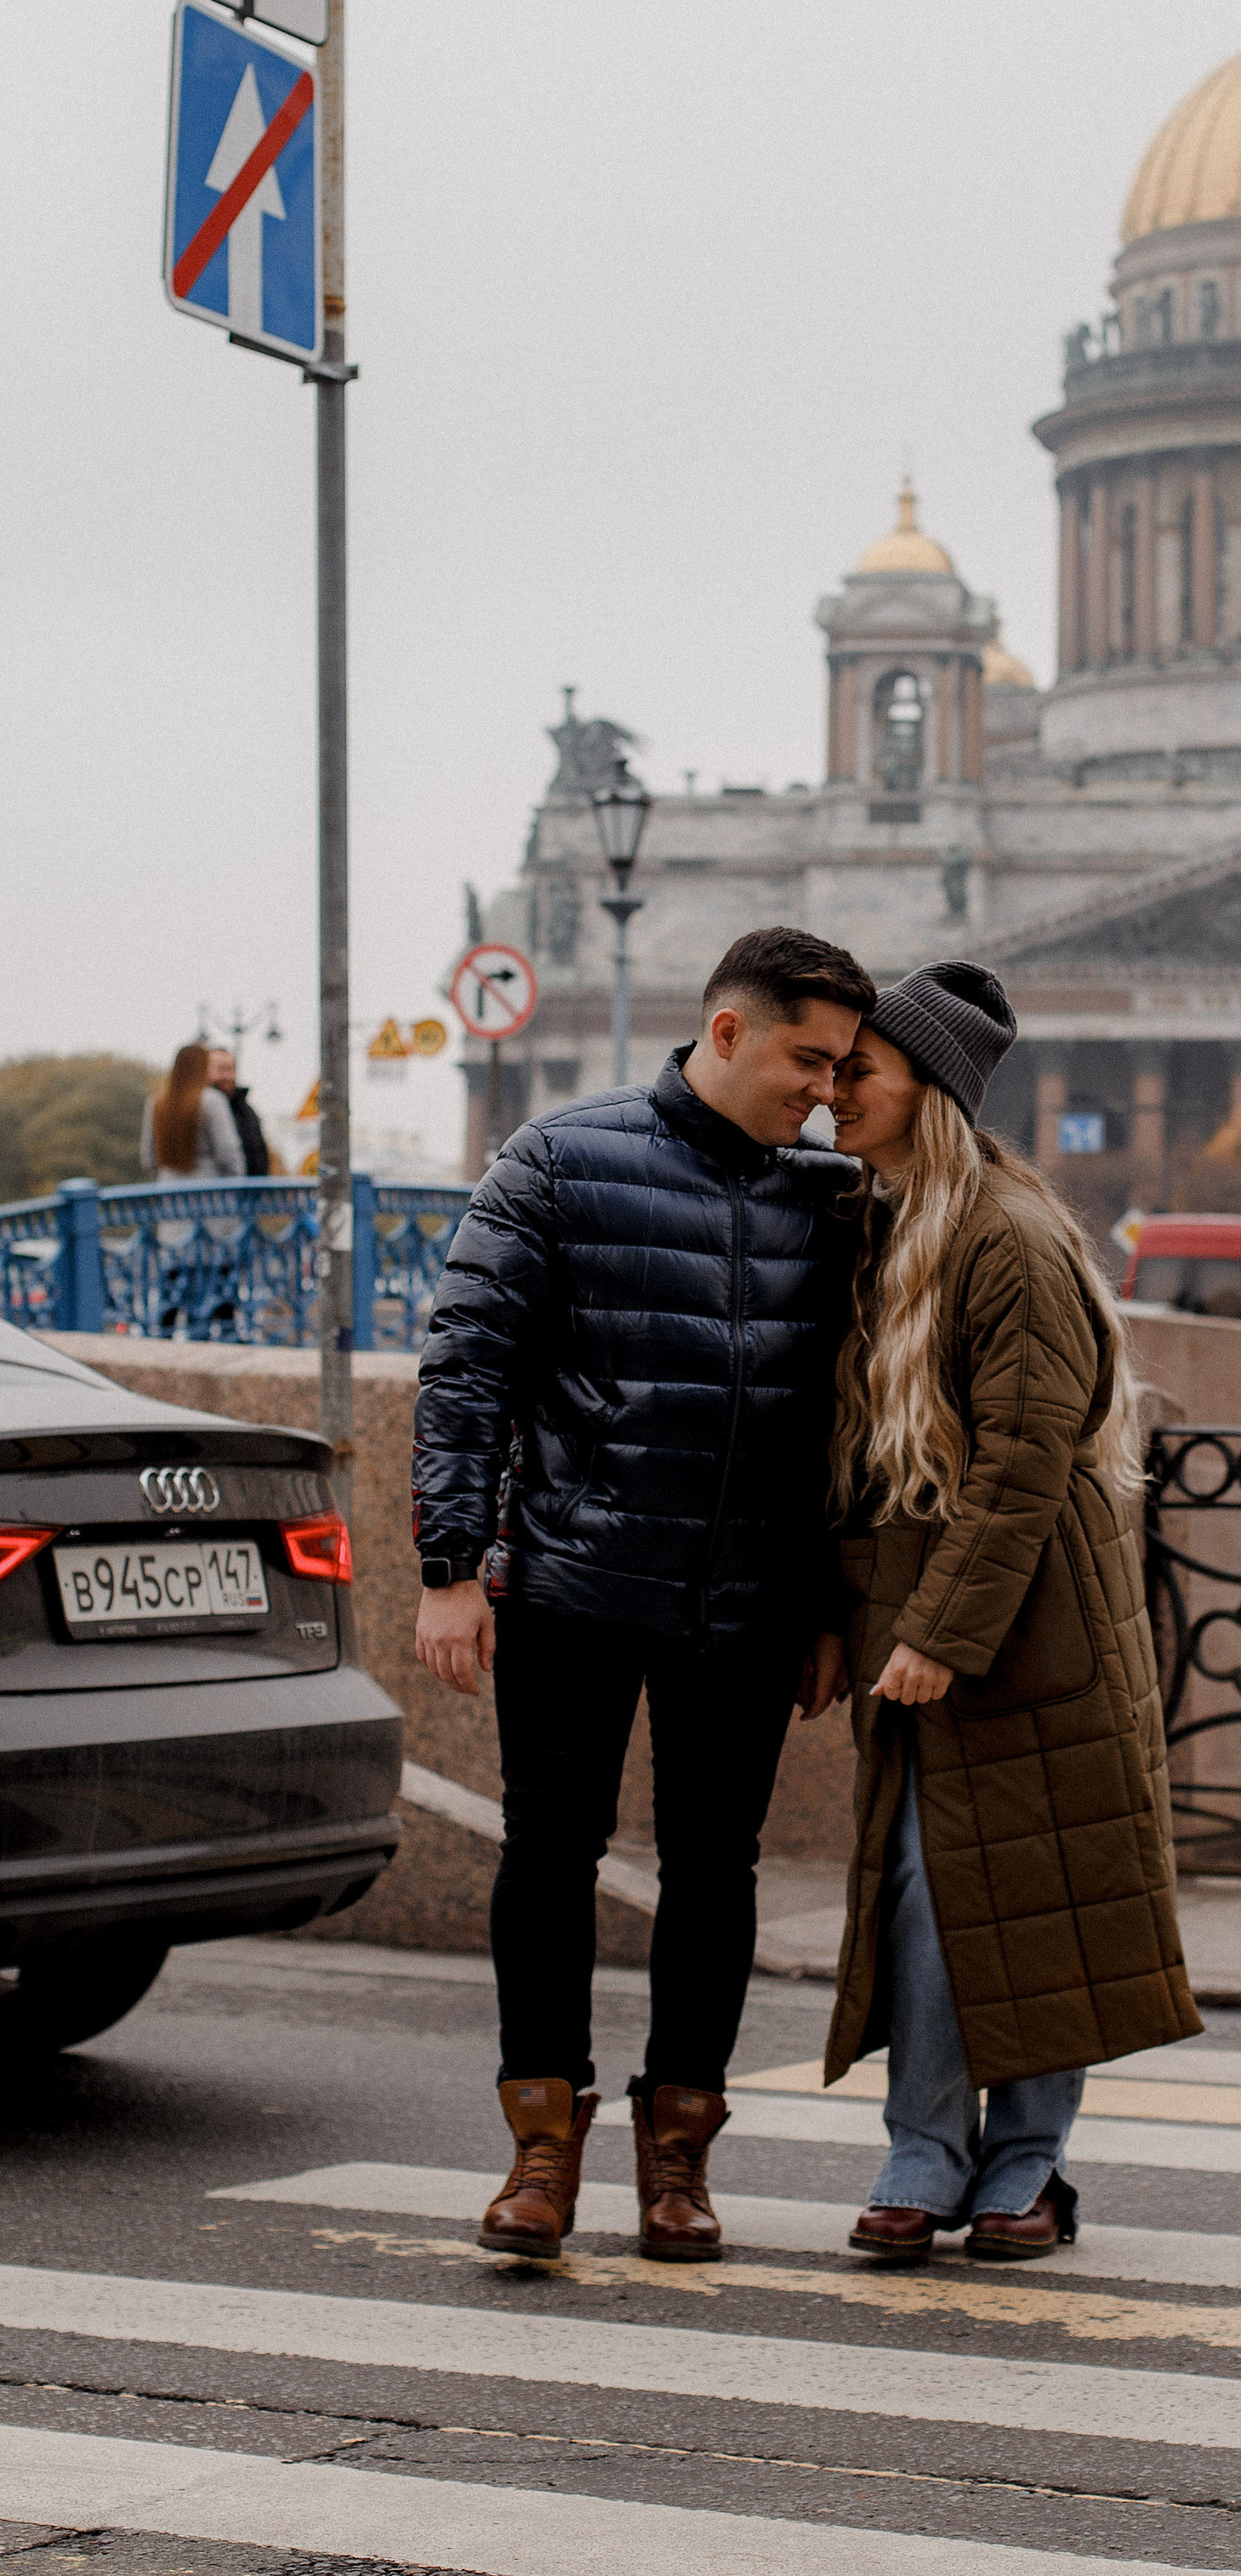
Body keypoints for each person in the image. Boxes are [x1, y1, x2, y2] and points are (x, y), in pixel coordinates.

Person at [409, 924, 875, 2266]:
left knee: (713, 1874)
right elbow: (466, 1374)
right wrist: (450, 1568)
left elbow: (848, 1422)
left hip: (749, 1600)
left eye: (842, 1067)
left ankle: (679, 2161)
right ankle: (541, 2154)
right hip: (570, 1577)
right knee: (547, 1860)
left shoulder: (829, 1195)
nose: (826, 1091)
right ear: (726, 1032)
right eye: (808, 1058)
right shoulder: (558, 1157)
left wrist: (835, 1605)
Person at [816, 958, 1200, 2264]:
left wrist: (938, 1630)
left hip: (1031, 1629)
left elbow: (1025, 1457)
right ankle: (925, 2153)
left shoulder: (1008, 1239)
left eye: (857, 1071)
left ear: (925, 1088)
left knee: (1043, 1895)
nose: (830, 1093)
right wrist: (846, 1615)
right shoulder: (884, 1223)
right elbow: (852, 1458)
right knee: (934, 1893)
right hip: (940, 1614)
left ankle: (1020, 2169)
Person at [142, 1043, 247, 1180]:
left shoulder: (157, 1102)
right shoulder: (211, 1100)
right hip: (209, 1191)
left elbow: (148, 1158)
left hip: (169, 1190)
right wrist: (238, 1181)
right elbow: (227, 1153)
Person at [206, 1047, 272, 1178]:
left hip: (251, 1191)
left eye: (231, 1069)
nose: (227, 1076)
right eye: (221, 1069)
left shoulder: (246, 1110)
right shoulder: (204, 1108)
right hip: (220, 1191)